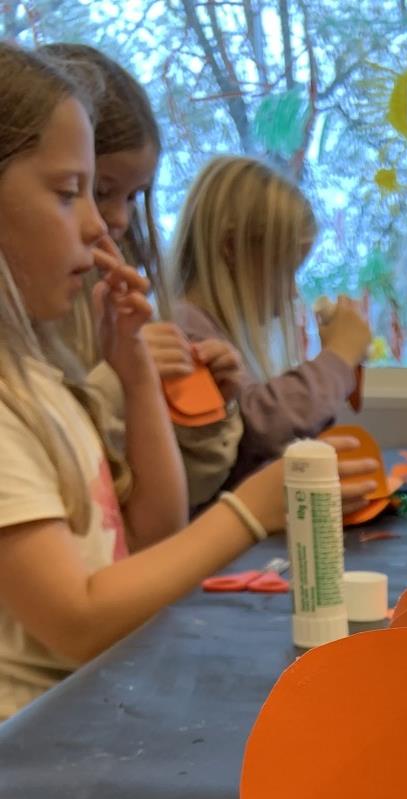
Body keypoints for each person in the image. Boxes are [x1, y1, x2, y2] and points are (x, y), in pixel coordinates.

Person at [0, 45, 357, 722]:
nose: (102, 226)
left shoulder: (42, 380)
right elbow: (76, 621)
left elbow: (153, 534)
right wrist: (250, 512)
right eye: (71, 193)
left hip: (79, 715)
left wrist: (135, 373)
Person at [37, 42, 244, 512]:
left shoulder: (121, 295)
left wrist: (206, 413)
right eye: (95, 190)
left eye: (133, 197)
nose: (119, 219)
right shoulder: (35, 311)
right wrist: (121, 383)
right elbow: (52, 482)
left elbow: (169, 506)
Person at [171, 155, 371, 488]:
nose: (293, 292)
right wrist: (338, 357)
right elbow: (261, 426)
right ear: (232, 248)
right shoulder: (185, 330)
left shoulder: (214, 330)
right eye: (286, 271)